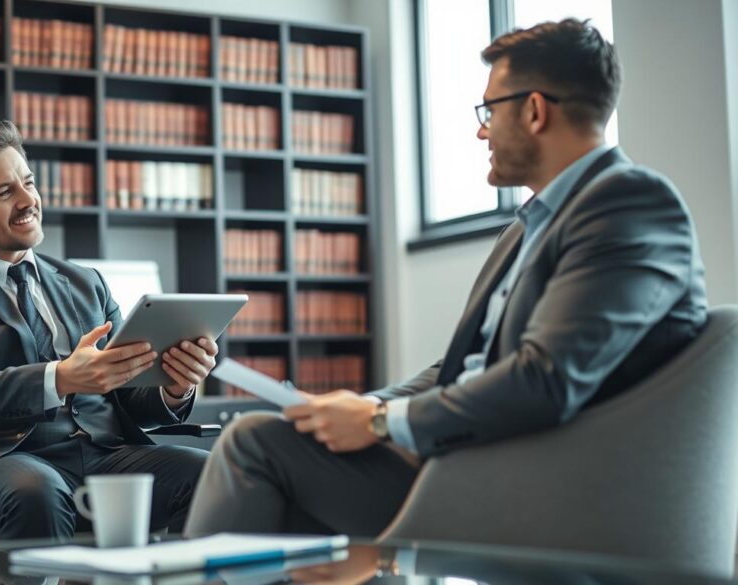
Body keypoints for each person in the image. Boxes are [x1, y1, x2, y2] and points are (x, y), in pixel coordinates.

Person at [184, 18, 707, 537]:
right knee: (276, 448)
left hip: (550, 485)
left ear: (534, 110)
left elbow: (545, 380)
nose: (481, 130)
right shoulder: (524, 230)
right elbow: (462, 367)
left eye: (489, 111)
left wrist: (379, 423)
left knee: (255, 444)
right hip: (470, 460)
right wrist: (368, 406)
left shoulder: (630, 205)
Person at [0, 121, 218, 540]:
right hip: (9, 458)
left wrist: (174, 386)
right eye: (5, 192)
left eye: (28, 183)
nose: (28, 200)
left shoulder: (86, 282)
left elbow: (126, 399)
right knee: (37, 491)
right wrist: (60, 378)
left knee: (208, 473)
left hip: (106, 454)